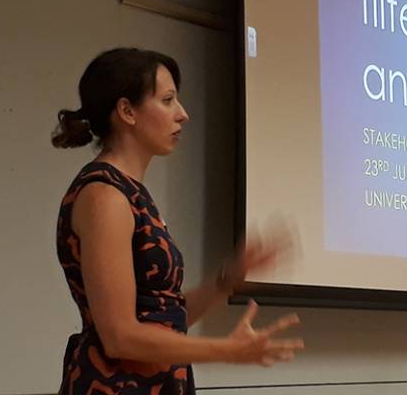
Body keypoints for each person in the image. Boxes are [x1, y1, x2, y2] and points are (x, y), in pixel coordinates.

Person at [51, 48, 303, 394]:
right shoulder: (104, 196)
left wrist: (224, 283)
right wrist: (229, 350)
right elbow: (120, 337)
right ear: (127, 111)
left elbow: (163, 316)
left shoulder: (130, 193)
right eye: (168, 100)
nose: (182, 114)